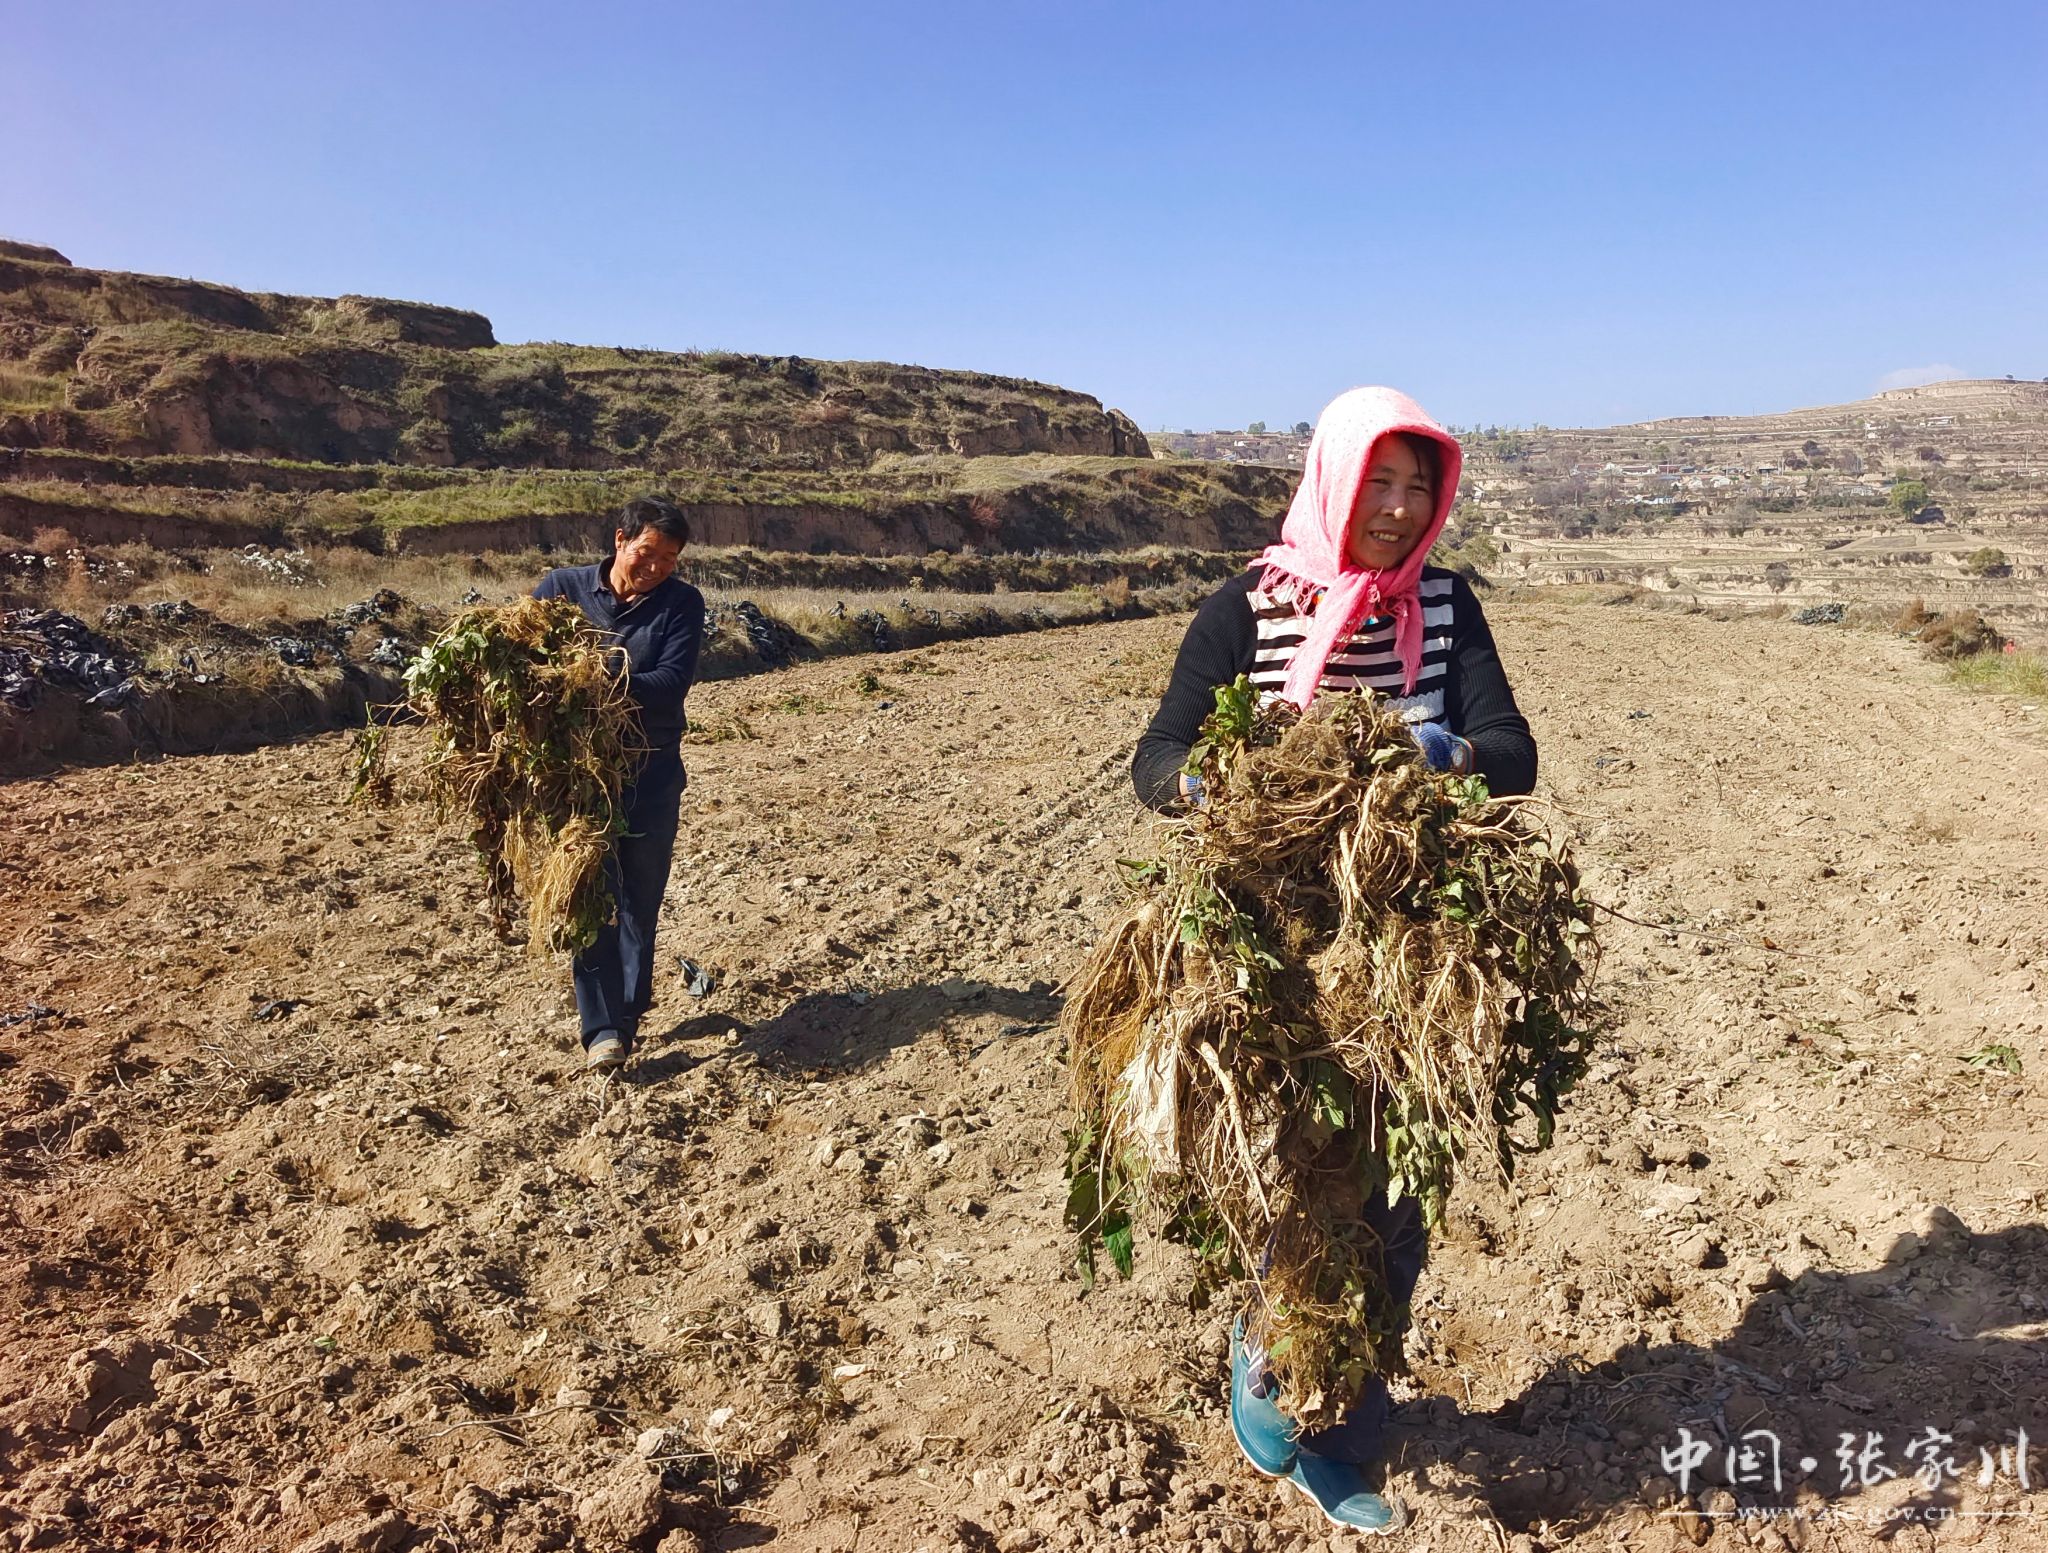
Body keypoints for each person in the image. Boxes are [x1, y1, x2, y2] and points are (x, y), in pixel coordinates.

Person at [1131, 386, 1536, 1531]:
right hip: (1272, 951)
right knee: (1301, 1181)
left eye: (1417, 486)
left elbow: (1512, 752)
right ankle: (1277, 1364)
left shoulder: (1444, 607)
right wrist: (1207, 780)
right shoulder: (1246, 607)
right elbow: (1156, 754)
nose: (1398, 508)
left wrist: (1447, 751)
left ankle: (1339, 1417)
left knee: (1394, 1194)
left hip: (1410, 949)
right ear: (1333, 482)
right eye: (1378, 483)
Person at [534, 496, 707, 1073]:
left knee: (639, 899)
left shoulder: (682, 604)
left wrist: (592, 676)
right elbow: (529, 664)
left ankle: (627, 1013)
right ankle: (603, 1029)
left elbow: (670, 684)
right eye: (647, 553)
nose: (656, 567)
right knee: (591, 894)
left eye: (669, 559)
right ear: (620, 540)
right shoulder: (561, 590)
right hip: (578, 776)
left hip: (651, 771)